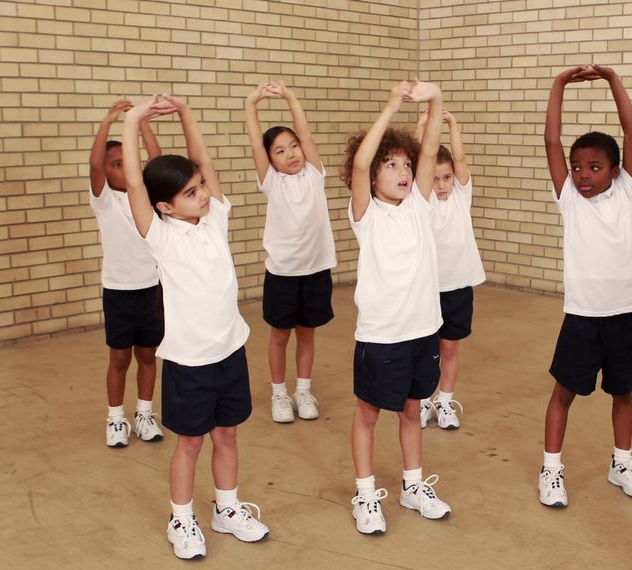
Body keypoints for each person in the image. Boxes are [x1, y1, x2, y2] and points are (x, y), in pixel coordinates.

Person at [121, 94, 270, 559]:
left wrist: (186, 113)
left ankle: (226, 508)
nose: (203, 194)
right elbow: (132, 182)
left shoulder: (215, 219)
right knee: (189, 444)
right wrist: (132, 120)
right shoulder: (162, 235)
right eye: (190, 192)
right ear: (164, 206)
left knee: (227, 434)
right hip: (189, 361)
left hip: (230, 351)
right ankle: (181, 519)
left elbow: (201, 159)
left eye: (201, 186)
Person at [540, 65, 632, 509]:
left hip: (626, 313)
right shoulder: (569, 198)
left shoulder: (626, 190)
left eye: (594, 167)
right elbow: (551, 140)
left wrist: (611, 79)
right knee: (563, 393)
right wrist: (558, 85)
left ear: (615, 169)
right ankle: (551, 469)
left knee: (623, 391)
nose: (583, 175)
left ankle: (621, 462)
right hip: (584, 316)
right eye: (577, 168)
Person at [341, 80, 451, 535]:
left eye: (405, 164)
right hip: (381, 334)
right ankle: (365, 494)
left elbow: (429, 153)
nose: (403, 172)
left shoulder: (419, 206)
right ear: (371, 177)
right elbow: (362, 159)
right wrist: (390, 106)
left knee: (412, 410)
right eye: (391, 166)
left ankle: (412, 484)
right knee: (368, 414)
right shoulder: (366, 214)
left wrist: (435, 99)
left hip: (423, 329)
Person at [244, 81, 337, 424]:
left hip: (315, 271)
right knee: (280, 335)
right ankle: (280, 394)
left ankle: (303, 390)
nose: (291, 153)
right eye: (280, 151)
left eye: (293, 146)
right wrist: (252, 103)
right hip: (283, 272)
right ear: (270, 160)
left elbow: (306, 134)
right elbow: (256, 141)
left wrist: (290, 97)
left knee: (308, 333)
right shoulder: (273, 182)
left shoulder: (314, 174)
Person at [87, 99, 164, 447]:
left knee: (147, 355)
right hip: (119, 291)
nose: (122, 169)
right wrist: (110, 119)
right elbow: (94, 163)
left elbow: (157, 159)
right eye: (115, 164)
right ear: (105, 172)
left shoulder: (145, 195)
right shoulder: (104, 200)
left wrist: (141, 121)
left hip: (151, 289)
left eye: (125, 163)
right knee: (119, 357)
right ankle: (115, 418)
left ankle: (145, 414)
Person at [414, 110, 486, 430]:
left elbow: (459, 156)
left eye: (446, 177)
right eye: (435, 177)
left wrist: (453, 125)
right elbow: (420, 159)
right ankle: (422, 400)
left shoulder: (460, 195)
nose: (442, 184)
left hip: (457, 285)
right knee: (426, 349)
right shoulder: (421, 200)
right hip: (427, 287)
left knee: (449, 347)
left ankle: (445, 400)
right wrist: (421, 129)